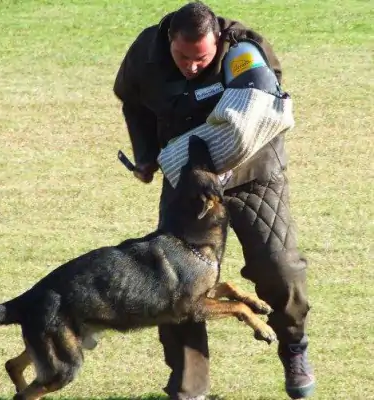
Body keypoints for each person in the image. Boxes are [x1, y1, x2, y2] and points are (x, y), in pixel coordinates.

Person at [113, 2, 315, 399]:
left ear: (218, 42)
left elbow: (265, 109)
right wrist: (145, 155)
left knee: (279, 267)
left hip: (253, 172)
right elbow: (132, 101)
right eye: (182, 56)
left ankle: (293, 346)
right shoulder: (145, 52)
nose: (190, 65)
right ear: (170, 39)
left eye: (200, 58)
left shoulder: (245, 49)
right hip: (187, 178)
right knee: (176, 279)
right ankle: (190, 385)